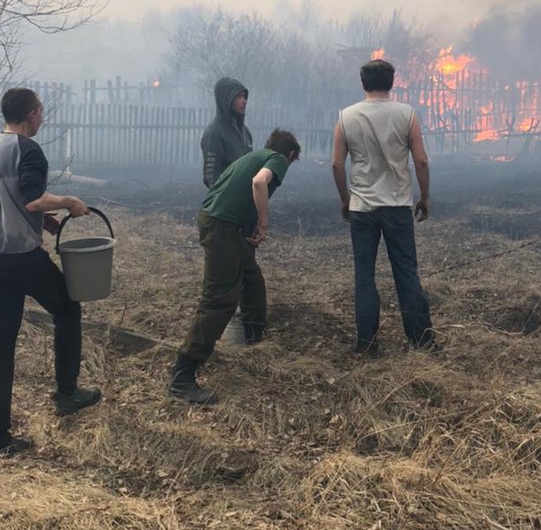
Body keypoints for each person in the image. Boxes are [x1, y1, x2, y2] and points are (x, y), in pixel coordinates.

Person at [0, 88, 101, 456]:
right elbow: (30, 196)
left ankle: (0, 436)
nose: (42, 117)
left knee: (3, 344)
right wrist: (68, 202)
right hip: (22, 257)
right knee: (68, 307)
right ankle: (67, 392)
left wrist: (42, 221)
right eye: (40, 111)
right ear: (30, 114)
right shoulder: (28, 150)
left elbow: (10, 199)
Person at [169, 129, 301, 405]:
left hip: (219, 221)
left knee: (251, 277)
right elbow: (258, 183)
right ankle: (183, 375)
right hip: (221, 227)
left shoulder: (254, 155)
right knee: (219, 300)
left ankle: (255, 339)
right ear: (290, 155)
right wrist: (264, 221)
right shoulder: (276, 159)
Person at [332, 59, 437, 357]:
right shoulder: (407, 114)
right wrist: (425, 196)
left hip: (362, 208)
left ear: (363, 82)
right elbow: (421, 161)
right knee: (406, 273)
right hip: (397, 207)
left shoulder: (345, 117)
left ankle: (367, 345)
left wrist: (345, 199)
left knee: (364, 275)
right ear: (392, 82)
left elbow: (337, 163)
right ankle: (421, 343)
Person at [201, 77, 261, 344]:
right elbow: (211, 176)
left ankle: (254, 330)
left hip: (247, 212)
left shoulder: (244, 133)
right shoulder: (215, 133)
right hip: (226, 216)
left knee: (250, 273)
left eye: (245, 96)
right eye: (238, 96)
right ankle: (226, 332)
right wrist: (229, 206)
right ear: (226, 100)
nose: (244, 101)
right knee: (225, 277)